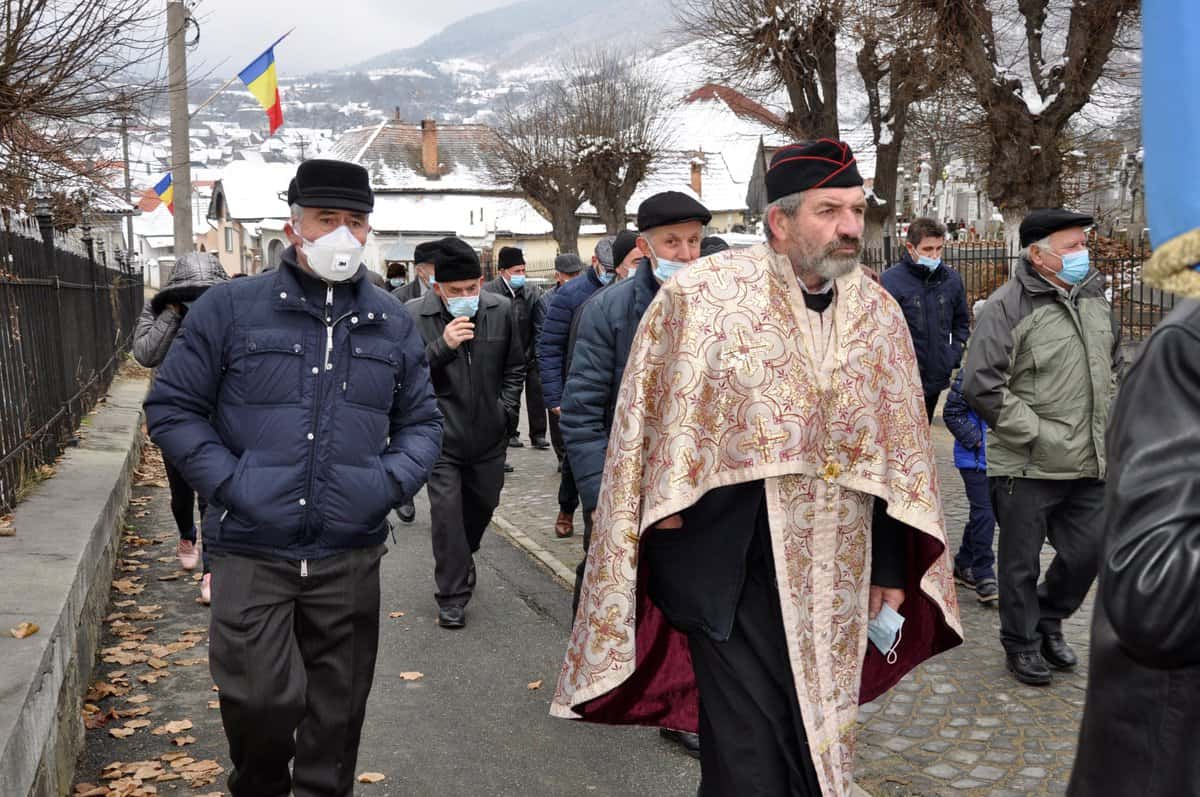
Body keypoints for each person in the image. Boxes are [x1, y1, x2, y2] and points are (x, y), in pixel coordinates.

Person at [553, 140, 962, 797]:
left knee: (814, 742)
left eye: (856, 210)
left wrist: (890, 564)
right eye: (830, 210)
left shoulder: (878, 314)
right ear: (780, 221)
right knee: (747, 758)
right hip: (727, 569)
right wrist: (655, 529)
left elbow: (896, 448)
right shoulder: (702, 298)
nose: (850, 226)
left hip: (837, 566)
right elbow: (647, 422)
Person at [144, 158, 443, 796]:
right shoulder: (230, 309)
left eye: (354, 221)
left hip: (348, 552)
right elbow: (172, 408)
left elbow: (423, 422)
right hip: (252, 546)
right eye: (325, 219)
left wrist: (383, 484)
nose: (341, 233)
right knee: (260, 704)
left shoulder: (390, 320)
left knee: (336, 718)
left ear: (370, 231)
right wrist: (234, 483)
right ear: (294, 226)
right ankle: (258, 785)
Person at [1068, 12, 1199, 791]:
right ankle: (1025, 630)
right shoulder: (1189, 344)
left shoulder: (1095, 304)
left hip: (1085, 454)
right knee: (1031, 564)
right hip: (1171, 755)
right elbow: (1151, 591)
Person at [560, 194, 712, 759]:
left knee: (697, 598)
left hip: (705, 486)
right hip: (633, 480)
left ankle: (691, 704)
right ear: (645, 246)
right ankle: (605, 667)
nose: (687, 253)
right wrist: (602, 498)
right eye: (673, 242)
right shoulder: (609, 310)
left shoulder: (724, 303)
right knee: (626, 587)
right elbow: (582, 411)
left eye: (695, 241)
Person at [962, 207, 1120, 686]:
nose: (1083, 253)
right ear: (1038, 255)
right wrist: (1037, 433)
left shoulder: (1095, 300)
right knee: (1019, 564)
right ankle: (1022, 643)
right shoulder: (1007, 306)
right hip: (1026, 464)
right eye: (1072, 246)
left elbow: (1113, 365)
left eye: (1082, 244)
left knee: (1089, 553)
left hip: (1088, 461)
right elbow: (981, 384)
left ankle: (1048, 619)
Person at [405, 237, 524, 630]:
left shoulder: (501, 309)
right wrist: (443, 346)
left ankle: (463, 554)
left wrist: (506, 412)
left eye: (472, 288)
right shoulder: (414, 316)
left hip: (490, 438)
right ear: (437, 286)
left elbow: (514, 368)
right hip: (441, 440)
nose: (466, 296)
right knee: (446, 518)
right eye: (456, 291)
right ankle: (452, 596)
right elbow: (406, 375)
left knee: (481, 508)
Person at [132, 251, 229, 604]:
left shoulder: (229, 310)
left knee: (213, 493)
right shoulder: (159, 310)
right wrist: (173, 311)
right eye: (191, 292)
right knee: (181, 494)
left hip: (217, 414)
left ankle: (211, 571)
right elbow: (145, 355)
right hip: (175, 416)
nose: (197, 298)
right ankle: (187, 534)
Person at [881, 217, 969, 421]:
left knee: (924, 432)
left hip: (936, 376)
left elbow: (960, 323)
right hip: (901, 380)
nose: (935, 255)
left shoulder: (951, 279)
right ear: (911, 247)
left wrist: (952, 353)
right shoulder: (890, 282)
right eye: (928, 249)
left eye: (939, 248)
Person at [532, 251, 590, 538]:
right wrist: (554, 396)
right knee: (575, 457)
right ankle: (566, 508)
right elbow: (549, 347)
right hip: (577, 385)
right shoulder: (554, 300)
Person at [941, 319, 998, 604]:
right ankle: (984, 571)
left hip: (1001, 459)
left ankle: (964, 561)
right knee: (985, 512)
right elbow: (953, 412)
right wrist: (976, 439)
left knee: (986, 513)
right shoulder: (971, 373)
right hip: (974, 459)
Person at [484, 246, 547, 449]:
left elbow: (539, 325)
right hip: (503, 354)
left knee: (536, 394)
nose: (521, 275)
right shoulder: (489, 292)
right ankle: (509, 433)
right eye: (516, 271)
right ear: (502, 271)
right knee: (507, 396)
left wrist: (534, 352)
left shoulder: (532, 293)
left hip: (528, 352)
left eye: (523, 270)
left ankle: (538, 434)